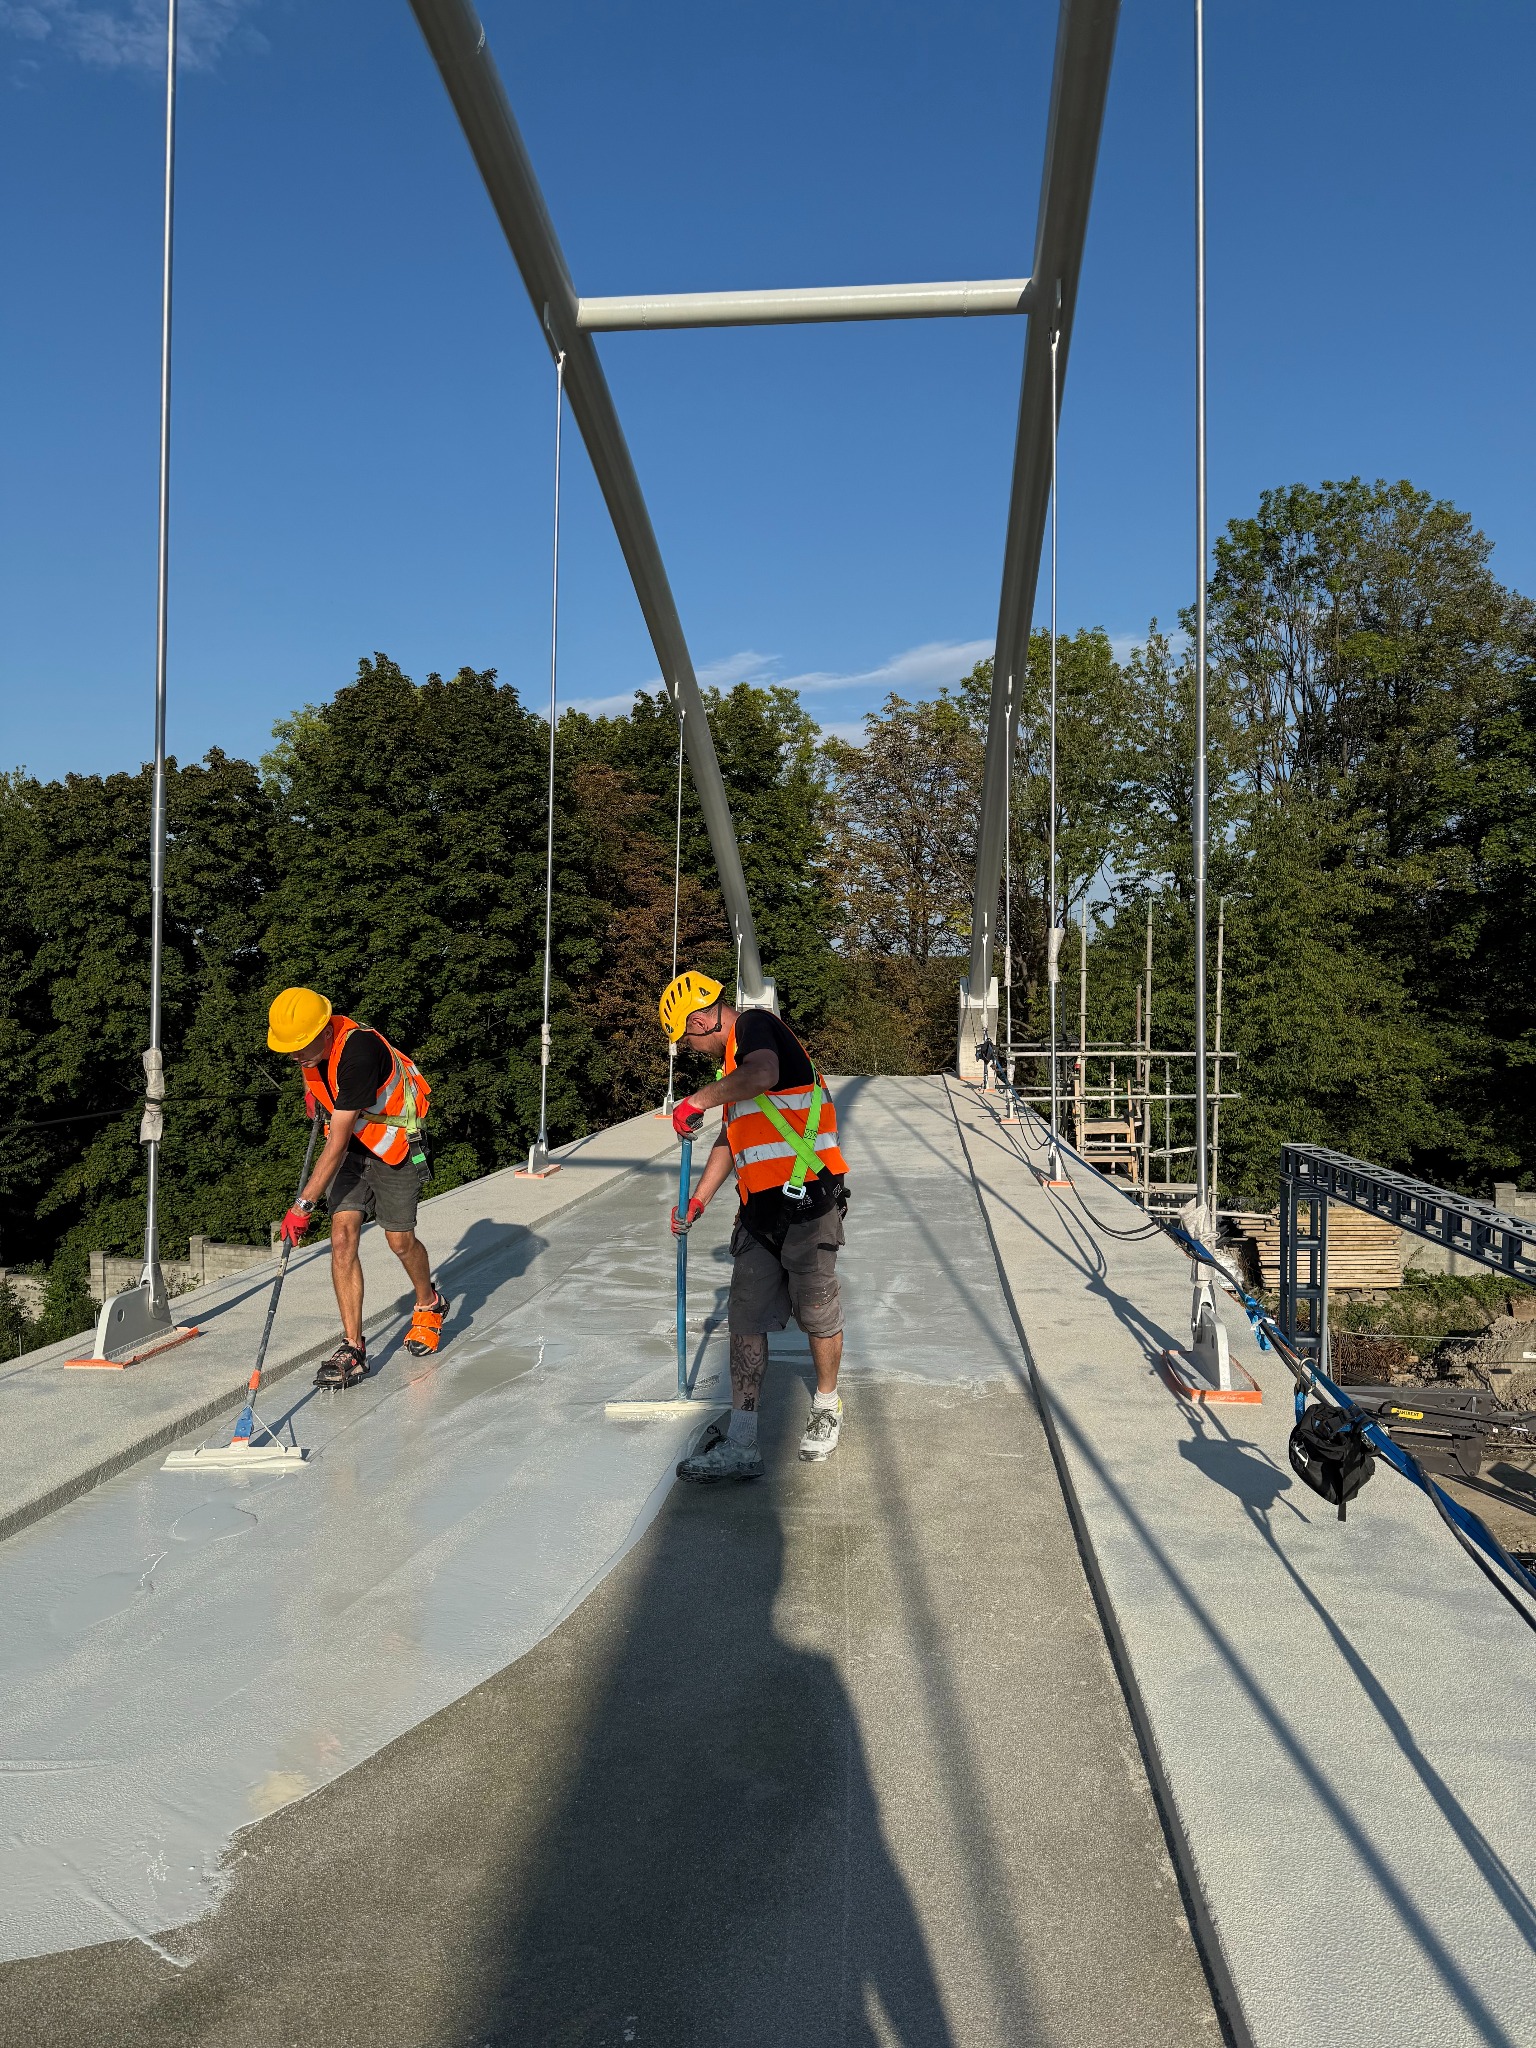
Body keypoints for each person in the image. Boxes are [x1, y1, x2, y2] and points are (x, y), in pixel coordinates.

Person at [657, 970, 850, 1482]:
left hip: (809, 1203)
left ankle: (827, 1406)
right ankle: (742, 1442)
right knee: (745, 1320)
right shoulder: (732, 1068)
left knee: (817, 1311)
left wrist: (696, 1100)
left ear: (701, 1020)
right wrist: (698, 1201)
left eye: (688, 1038)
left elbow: (764, 1074)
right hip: (758, 1213)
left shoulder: (757, 1028)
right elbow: (733, 1137)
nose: (692, 1048)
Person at [266, 987, 447, 1388]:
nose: (295, 1056)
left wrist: (302, 1205)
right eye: (289, 1049)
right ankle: (353, 1347)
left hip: (394, 1147)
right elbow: (321, 1082)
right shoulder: (312, 1050)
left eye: (300, 1047)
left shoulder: (359, 1053)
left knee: (399, 1241)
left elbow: (338, 1141)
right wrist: (314, 1094)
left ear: (325, 1031)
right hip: (354, 1151)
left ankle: (429, 1304)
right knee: (342, 1238)